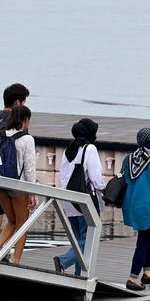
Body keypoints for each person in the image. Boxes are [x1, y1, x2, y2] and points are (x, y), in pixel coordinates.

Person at [119, 127, 150, 291]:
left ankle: (147, 272)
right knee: (144, 241)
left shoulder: (128, 159)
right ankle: (133, 277)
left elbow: (125, 178)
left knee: (147, 238)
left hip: (131, 205)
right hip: (147, 207)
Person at [54, 118, 104, 277]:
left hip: (68, 200)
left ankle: (79, 275)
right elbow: (96, 179)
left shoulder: (68, 149)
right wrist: (106, 189)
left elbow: (62, 175)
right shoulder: (90, 149)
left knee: (77, 240)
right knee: (87, 240)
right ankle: (63, 261)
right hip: (83, 200)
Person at [0, 83, 30, 251]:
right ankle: (3, 251)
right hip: (11, 177)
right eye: (24, 102)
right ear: (18, 102)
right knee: (17, 220)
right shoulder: (16, 121)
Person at [0, 105, 37, 264]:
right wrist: (32, 192)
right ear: (25, 119)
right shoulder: (27, 139)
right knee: (22, 225)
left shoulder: (0, 135)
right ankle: (16, 261)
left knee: (12, 221)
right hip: (19, 186)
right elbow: (30, 168)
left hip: (1, 185)